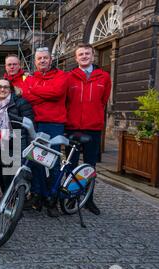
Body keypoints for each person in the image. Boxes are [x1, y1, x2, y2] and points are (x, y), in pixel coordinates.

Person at [65, 43, 112, 215]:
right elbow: (66, 101)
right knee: (71, 165)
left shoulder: (104, 77)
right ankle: (71, 196)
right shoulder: (69, 77)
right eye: (81, 54)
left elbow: (103, 100)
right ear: (76, 58)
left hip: (93, 128)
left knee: (90, 165)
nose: (84, 56)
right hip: (73, 128)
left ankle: (88, 199)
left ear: (93, 56)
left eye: (87, 54)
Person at [23, 47, 68, 217]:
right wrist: (44, 94)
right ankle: (37, 195)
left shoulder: (61, 76)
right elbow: (27, 97)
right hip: (36, 123)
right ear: (35, 61)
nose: (42, 61)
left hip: (54, 124)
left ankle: (52, 198)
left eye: (45, 58)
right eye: (39, 58)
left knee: (53, 162)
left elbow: (57, 92)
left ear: (51, 60)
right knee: (35, 161)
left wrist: (35, 91)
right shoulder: (31, 78)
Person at [0, 79, 34, 193]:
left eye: (5, 87)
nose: (2, 89)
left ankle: (16, 200)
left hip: (17, 140)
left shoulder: (21, 102)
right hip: (1, 141)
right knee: (2, 172)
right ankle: (6, 197)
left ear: (11, 89)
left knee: (15, 173)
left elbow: (29, 122)